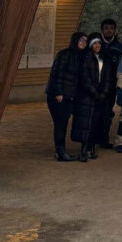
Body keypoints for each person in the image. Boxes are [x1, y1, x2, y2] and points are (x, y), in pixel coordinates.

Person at [72, 34, 115, 161]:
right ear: (91, 45)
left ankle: (91, 148)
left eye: (99, 43)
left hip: (101, 96)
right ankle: (83, 150)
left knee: (96, 122)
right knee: (86, 123)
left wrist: (104, 93)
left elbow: (108, 78)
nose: (97, 46)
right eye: (95, 43)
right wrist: (94, 92)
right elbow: (84, 78)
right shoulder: (86, 58)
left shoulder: (104, 59)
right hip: (87, 96)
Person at [46, 31, 87, 161]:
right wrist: (58, 92)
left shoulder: (81, 56)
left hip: (70, 96)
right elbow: (57, 73)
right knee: (60, 124)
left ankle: (61, 150)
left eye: (85, 41)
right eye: (81, 40)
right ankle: (60, 151)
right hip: (59, 96)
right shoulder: (65, 54)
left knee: (63, 124)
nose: (83, 43)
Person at [99, 18, 122, 147]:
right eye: (106, 28)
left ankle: (104, 139)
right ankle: (93, 139)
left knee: (108, 112)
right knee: (96, 112)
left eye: (111, 28)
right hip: (98, 85)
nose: (109, 30)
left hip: (112, 85)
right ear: (102, 29)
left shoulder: (118, 47)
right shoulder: (97, 44)